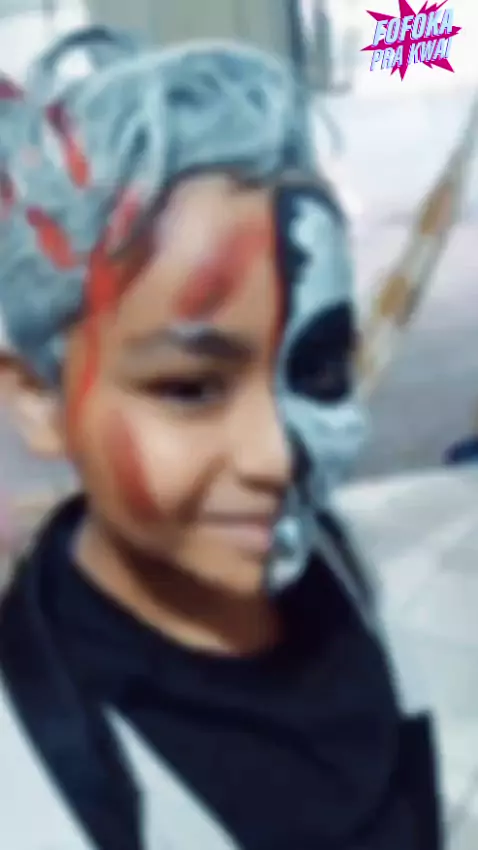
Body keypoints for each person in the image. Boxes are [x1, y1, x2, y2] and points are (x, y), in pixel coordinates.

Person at [0, 25, 442, 850]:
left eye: (316, 371)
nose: (275, 458)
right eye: (191, 389)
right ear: (39, 400)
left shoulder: (342, 576)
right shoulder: (34, 782)